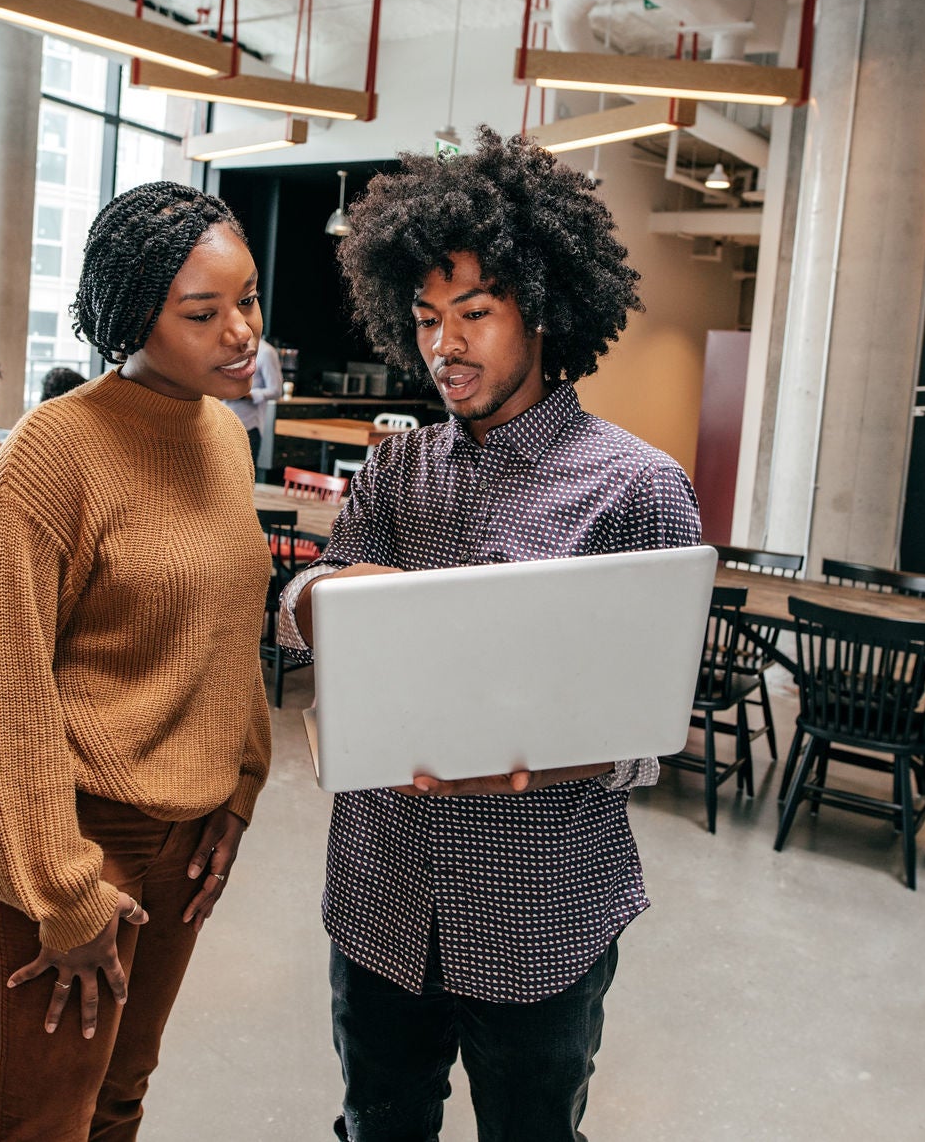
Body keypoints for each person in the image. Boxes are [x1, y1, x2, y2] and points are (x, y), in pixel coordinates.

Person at [277, 128, 702, 1142]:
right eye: (425, 318)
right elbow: (300, 621)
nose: (443, 346)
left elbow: (645, 738)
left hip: (536, 910)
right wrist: (314, 600)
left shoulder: (636, 490)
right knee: (376, 1126)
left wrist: (531, 766)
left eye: (474, 313)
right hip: (380, 894)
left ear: (543, 310)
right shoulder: (393, 472)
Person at [0, 181, 273, 1142]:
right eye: (203, 313)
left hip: (184, 839)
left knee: (121, 1098)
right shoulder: (55, 451)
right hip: (69, 838)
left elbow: (228, 628)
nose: (240, 333)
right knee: (37, 1124)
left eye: (247, 299)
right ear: (135, 316)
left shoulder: (222, 436)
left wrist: (239, 785)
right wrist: (62, 885)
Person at [221, 336, 282, 476]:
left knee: (244, 478)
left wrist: (245, 395)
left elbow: (276, 390)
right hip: (221, 423)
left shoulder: (266, 352)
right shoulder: (226, 347)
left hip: (248, 425)